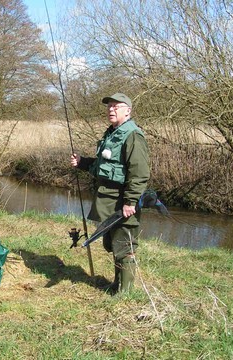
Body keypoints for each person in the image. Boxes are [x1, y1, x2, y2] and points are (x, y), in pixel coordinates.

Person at [70, 93, 150, 293]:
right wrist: (82, 163)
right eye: (109, 106)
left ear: (128, 110)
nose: (111, 109)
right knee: (114, 243)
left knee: (125, 245)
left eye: (117, 106)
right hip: (108, 199)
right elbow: (103, 166)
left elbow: (139, 173)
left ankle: (126, 292)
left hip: (122, 200)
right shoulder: (112, 133)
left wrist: (130, 201)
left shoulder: (133, 135)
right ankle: (117, 284)